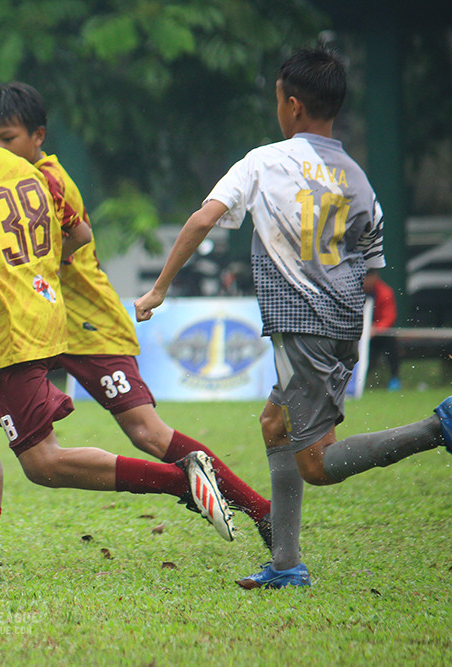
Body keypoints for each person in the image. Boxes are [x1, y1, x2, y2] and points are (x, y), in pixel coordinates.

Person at [0, 81, 273, 555]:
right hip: (38, 317)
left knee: (130, 439)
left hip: (85, 323)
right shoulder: (9, 175)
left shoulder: (39, 177)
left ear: (38, 136)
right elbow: (34, 250)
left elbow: (71, 239)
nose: (2, 147)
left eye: (10, 137)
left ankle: (250, 506)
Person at [134, 46, 452, 589]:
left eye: (278, 98)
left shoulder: (264, 160)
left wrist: (159, 288)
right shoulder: (359, 180)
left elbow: (202, 218)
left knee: (317, 463)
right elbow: (371, 265)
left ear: (294, 105)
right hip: (341, 317)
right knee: (274, 423)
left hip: (303, 323)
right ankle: (286, 565)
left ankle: (438, 426)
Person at [363, 269, 401, 390]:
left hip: (380, 334)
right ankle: (358, 382)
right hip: (359, 334)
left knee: (392, 347)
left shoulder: (385, 292)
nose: (367, 280)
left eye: (370, 276)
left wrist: (376, 329)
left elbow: (389, 316)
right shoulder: (354, 292)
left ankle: (394, 378)